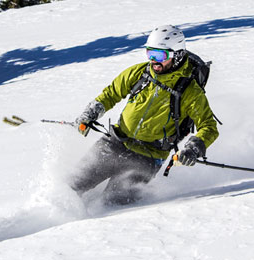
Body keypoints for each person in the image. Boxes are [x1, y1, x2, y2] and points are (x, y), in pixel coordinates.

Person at [72, 25, 219, 206]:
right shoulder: (140, 73)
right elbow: (111, 93)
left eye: (160, 56)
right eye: (150, 54)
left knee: (110, 206)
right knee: (70, 187)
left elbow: (208, 127)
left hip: (147, 158)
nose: (154, 61)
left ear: (178, 54)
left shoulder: (189, 91)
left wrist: (194, 148)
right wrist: (91, 113)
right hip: (115, 143)